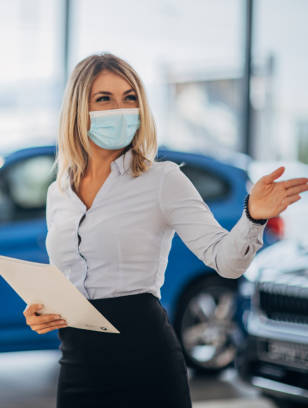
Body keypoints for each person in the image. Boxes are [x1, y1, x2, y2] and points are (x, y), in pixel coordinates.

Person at [23, 53, 308, 407]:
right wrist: (42, 311)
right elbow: (70, 278)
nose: (120, 109)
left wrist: (253, 216)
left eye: (130, 98)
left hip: (145, 361)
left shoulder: (162, 179)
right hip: (77, 363)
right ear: (78, 110)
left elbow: (226, 262)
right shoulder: (60, 192)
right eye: (104, 99)